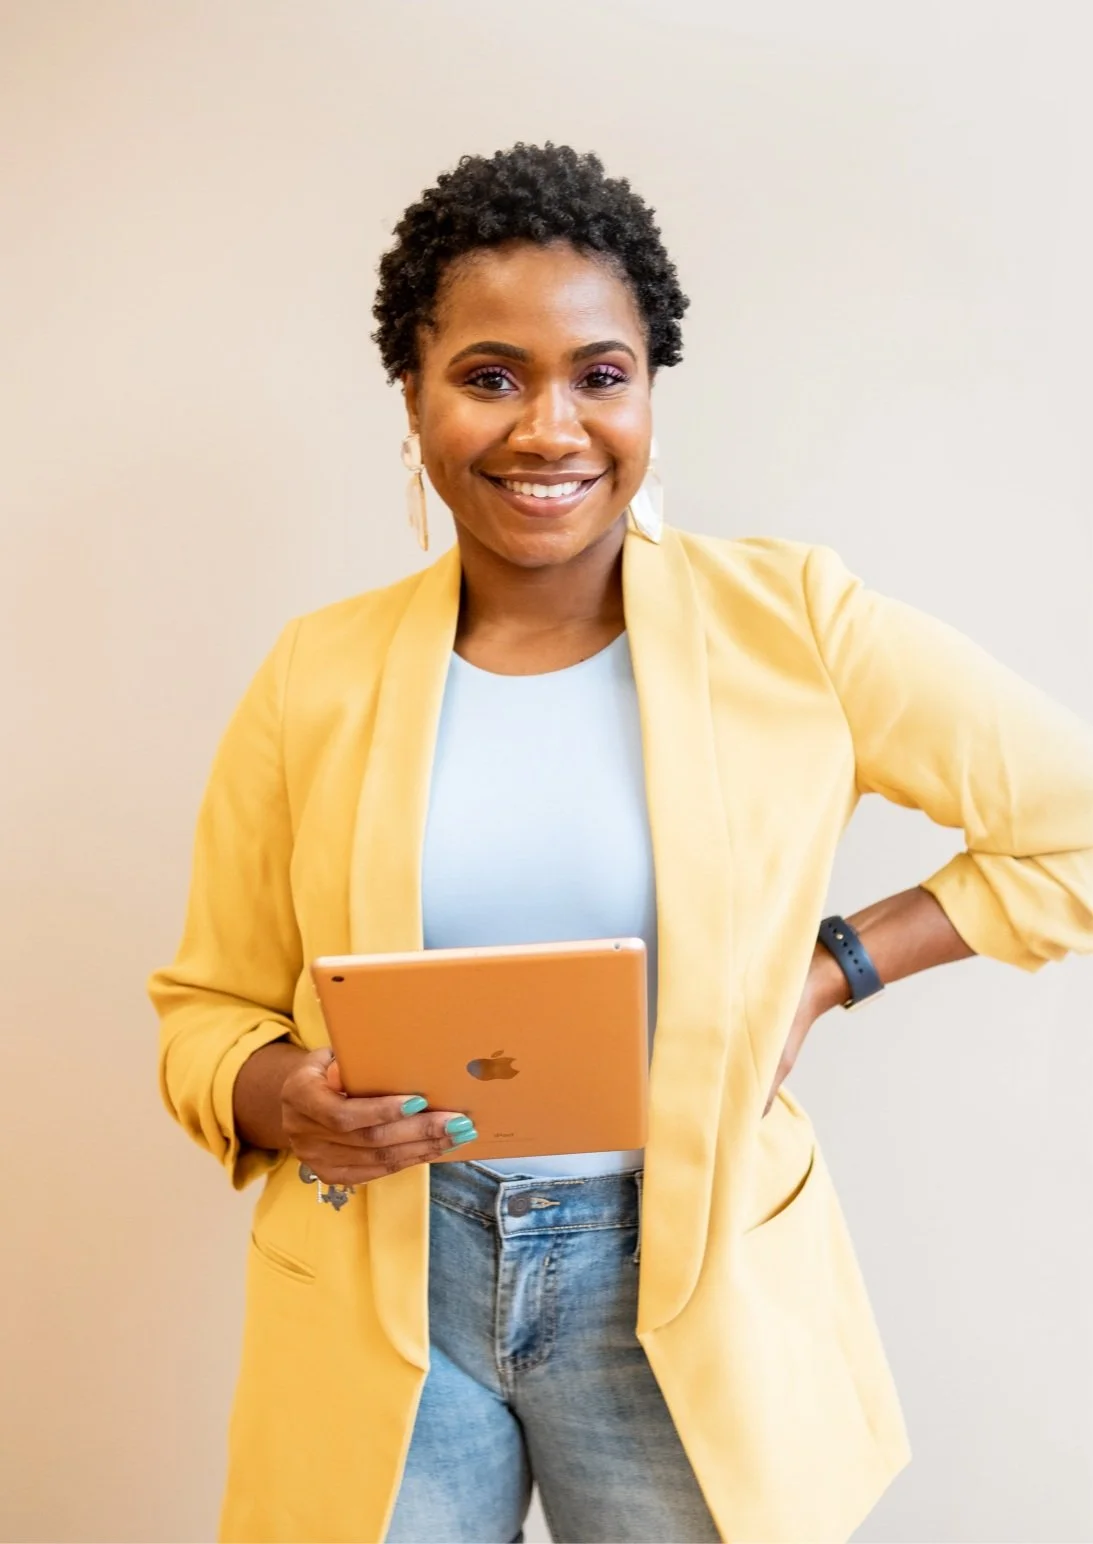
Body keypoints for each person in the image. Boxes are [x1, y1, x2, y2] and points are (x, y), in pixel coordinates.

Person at [148, 143, 1093, 1544]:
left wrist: (831, 968)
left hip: (684, 1285)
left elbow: (1072, 831)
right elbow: (204, 1010)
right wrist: (277, 1094)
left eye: (600, 374)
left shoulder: (795, 626)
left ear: (649, 391)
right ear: (412, 397)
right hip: (387, 1280)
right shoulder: (315, 675)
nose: (551, 429)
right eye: (490, 377)